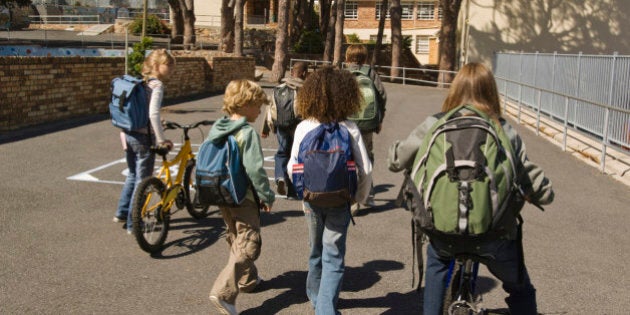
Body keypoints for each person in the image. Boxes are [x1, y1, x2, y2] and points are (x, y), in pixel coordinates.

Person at [387, 62, 554, 315]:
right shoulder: (503, 129)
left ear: (454, 89)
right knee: (521, 289)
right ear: (491, 91)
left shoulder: (434, 123)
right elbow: (534, 182)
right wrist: (542, 194)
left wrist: (398, 150)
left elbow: (396, 161)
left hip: (442, 234)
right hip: (493, 234)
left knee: (437, 260)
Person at [287, 66, 373, 315]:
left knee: (315, 250)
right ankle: (325, 308)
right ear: (347, 95)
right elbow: (365, 169)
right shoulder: (350, 128)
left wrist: (303, 193)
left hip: (311, 199)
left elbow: (293, 166)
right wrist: (359, 199)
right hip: (340, 200)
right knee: (333, 255)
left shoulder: (304, 127)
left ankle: (316, 297)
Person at [208, 79, 275, 315]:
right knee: (248, 244)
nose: (259, 111)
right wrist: (266, 195)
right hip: (243, 196)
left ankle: (248, 280)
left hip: (221, 192)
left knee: (236, 237)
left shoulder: (219, 126)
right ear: (245, 104)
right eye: (257, 105)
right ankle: (224, 293)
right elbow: (255, 170)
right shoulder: (246, 132)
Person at [113, 49, 174, 234]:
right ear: (156, 66)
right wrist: (161, 139)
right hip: (143, 139)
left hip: (127, 133)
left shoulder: (139, 82)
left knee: (132, 175)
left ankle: (122, 213)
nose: (172, 70)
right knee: (143, 182)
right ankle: (134, 224)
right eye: (169, 65)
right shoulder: (156, 86)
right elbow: (153, 114)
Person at [345, 44, 387, 211]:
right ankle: (367, 195)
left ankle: (351, 200)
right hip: (367, 123)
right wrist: (379, 119)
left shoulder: (344, 74)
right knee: (366, 158)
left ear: (347, 58)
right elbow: (382, 96)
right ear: (365, 58)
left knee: (347, 160)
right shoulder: (371, 73)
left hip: (346, 123)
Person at [261, 62, 308, 198]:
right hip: (298, 127)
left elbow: (269, 108)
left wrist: (265, 129)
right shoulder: (304, 89)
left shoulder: (278, 88)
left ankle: (280, 177)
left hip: (281, 125)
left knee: (282, 153)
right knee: (297, 156)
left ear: (291, 73)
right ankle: (293, 191)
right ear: (304, 73)